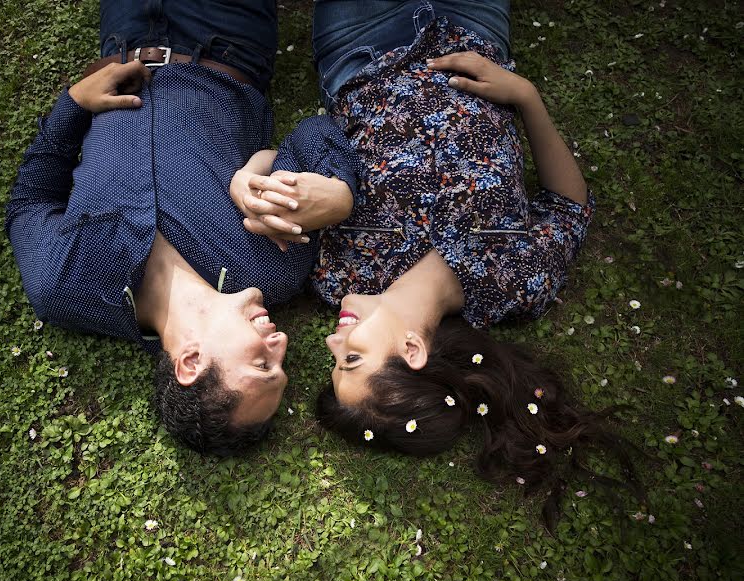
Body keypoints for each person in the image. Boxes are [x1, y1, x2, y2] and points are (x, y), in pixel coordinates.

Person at [240, 0, 641, 524]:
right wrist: (526, 98)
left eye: (334, 359)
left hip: (359, 43)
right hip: (476, 27)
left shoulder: (335, 273)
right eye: (351, 358)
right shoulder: (515, 284)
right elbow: (570, 205)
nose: (331, 341)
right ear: (412, 349)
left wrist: (259, 179)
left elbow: (297, 154)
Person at [5, 0, 357, 455]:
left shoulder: (67, 285)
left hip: (125, 34)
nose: (282, 343)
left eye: (262, 364)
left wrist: (73, 105)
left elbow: (28, 202)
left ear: (190, 362)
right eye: (281, 364)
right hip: (229, 37)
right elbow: (314, 136)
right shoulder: (272, 267)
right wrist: (336, 192)